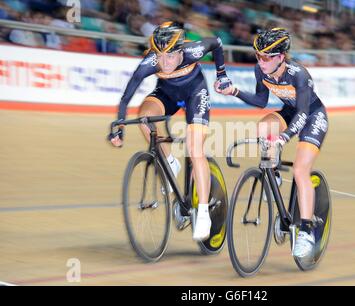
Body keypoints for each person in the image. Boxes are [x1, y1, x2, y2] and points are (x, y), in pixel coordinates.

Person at [109, 21, 232, 241]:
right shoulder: (151, 61)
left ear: (180, 51)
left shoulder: (192, 51)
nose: (164, 63)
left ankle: (203, 212)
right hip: (166, 94)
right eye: (160, 56)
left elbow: (217, 43)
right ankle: (170, 162)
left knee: (195, 151)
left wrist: (221, 74)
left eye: (169, 56)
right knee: (145, 117)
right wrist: (119, 124)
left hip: (195, 93)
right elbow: (126, 96)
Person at [215, 28, 328, 260]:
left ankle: (306, 232)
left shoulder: (300, 75)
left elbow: (304, 114)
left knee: (299, 170)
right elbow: (260, 101)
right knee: (263, 128)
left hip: (312, 117)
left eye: (266, 57)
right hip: (288, 112)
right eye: (258, 55)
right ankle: (273, 173)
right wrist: (234, 91)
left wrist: (285, 137)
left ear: (280, 57)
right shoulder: (261, 70)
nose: (260, 61)